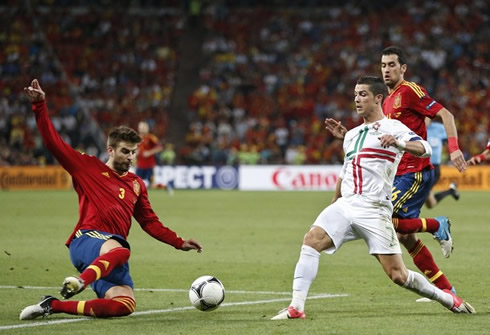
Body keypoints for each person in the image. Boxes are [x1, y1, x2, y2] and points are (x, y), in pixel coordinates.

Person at [271, 76, 474, 320]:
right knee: (311, 239)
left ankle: (448, 299)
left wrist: (399, 144)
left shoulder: (394, 128)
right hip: (347, 204)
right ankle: (296, 307)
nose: (357, 98)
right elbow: (345, 172)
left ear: (379, 98)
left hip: (374, 210)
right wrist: (334, 203)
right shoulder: (351, 135)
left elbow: (425, 149)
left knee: (398, 275)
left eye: (363, 94)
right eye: (355, 94)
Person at [20, 79, 203, 320]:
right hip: (87, 240)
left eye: (134, 152)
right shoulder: (87, 167)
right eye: (125, 151)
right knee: (123, 250)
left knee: (124, 305)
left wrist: (179, 242)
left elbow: (149, 222)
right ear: (111, 150)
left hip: (109, 256)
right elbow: (54, 143)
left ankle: (52, 305)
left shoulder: (136, 184)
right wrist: (40, 106)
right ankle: (80, 281)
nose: (131, 157)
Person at [326, 46, 465, 297]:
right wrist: (346, 136)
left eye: (392, 65)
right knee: (403, 235)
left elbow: (446, 114)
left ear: (403, 68)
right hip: (394, 174)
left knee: (387, 221)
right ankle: (448, 290)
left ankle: (436, 224)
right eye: (383, 65)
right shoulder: (384, 99)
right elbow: (378, 139)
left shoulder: (410, 91)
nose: (386, 69)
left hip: (415, 171)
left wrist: (454, 148)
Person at [424, 119, 460, 209]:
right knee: (430, 204)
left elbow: (451, 138)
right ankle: (451, 190)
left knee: (421, 194)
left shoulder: (439, 128)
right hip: (420, 166)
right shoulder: (415, 128)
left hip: (433, 168)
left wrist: (453, 152)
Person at [136, 121, 163, 188]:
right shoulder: (136, 138)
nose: (142, 129)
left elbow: (160, 147)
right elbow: (133, 149)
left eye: (144, 127)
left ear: (147, 128)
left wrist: (149, 152)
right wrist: (135, 152)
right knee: (137, 184)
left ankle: (165, 187)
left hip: (149, 165)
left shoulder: (151, 137)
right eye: (141, 127)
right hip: (140, 165)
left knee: (152, 185)